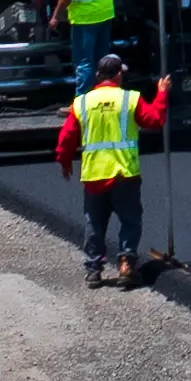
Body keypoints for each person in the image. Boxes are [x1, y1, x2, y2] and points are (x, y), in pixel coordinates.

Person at [56, 67, 166, 288]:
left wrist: (64, 160)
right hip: (124, 174)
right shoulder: (129, 98)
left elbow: (68, 135)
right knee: (130, 220)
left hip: (95, 175)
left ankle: (94, 269)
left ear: (98, 76)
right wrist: (162, 93)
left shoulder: (82, 103)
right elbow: (155, 120)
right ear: (117, 75)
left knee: (94, 223)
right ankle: (126, 263)